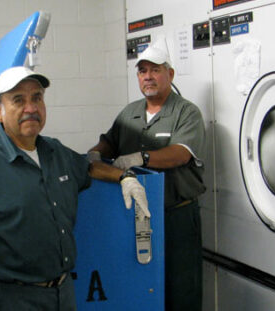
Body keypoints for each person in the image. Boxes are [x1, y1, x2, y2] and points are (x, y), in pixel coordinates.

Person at [0, 66, 150, 311]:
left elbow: (87, 168)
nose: (30, 108)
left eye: (37, 98)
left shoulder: (53, 150)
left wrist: (124, 177)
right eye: (18, 100)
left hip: (63, 291)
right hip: (13, 297)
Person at [88, 42, 206, 311]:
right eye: (142, 71)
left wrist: (141, 158)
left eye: (155, 70)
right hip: (134, 215)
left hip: (176, 215)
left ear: (170, 74)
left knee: (181, 288)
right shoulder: (129, 112)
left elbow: (181, 154)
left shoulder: (186, 112)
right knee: (140, 285)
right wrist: (94, 154)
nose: (148, 77)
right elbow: (109, 141)